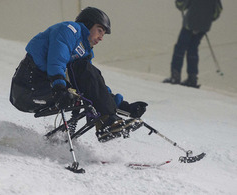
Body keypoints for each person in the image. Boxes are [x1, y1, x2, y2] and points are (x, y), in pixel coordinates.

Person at [10, 7, 148, 142]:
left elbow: (94, 86)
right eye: (99, 30)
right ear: (87, 25)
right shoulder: (69, 30)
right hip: (27, 88)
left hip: (47, 87)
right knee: (83, 68)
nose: (101, 38)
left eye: (103, 34)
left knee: (88, 73)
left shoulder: (85, 51)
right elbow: (56, 59)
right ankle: (106, 122)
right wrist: (60, 87)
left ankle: (106, 121)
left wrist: (124, 106)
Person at [163, 0, 222, 88]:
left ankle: (175, 77)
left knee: (180, 48)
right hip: (204, 25)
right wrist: (208, 18)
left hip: (190, 23)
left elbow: (181, 5)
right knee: (193, 49)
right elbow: (218, 10)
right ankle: (192, 78)